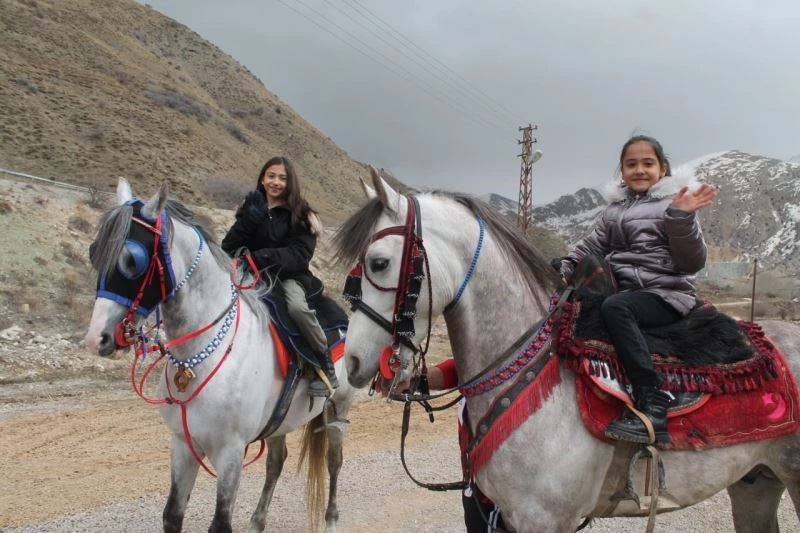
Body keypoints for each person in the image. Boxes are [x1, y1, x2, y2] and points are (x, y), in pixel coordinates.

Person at [559, 135, 717, 444]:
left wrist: (681, 218)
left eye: (648, 163)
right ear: (622, 171)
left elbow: (692, 261)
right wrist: (565, 266)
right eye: (631, 164)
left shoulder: (674, 205)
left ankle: (653, 399)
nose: (640, 170)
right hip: (625, 290)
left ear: (663, 169)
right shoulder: (614, 212)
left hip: (665, 293)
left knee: (615, 308)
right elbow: (590, 246)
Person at [221, 156, 338, 397]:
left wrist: (262, 257)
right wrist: (248, 222)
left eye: (282, 178)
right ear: (262, 179)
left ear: (290, 182)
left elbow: (300, 254)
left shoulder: (301, 213)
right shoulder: (251, 207)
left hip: (289, 277)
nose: (275, 182)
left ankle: (323, 361)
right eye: (271, 176)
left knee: (296, 308)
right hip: (250, 276)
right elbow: (229, 247)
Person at [424, 361, 506, 532]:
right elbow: (459, 367)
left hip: (497, 496)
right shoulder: (476, 361)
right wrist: (415, 380)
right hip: (475, 488)